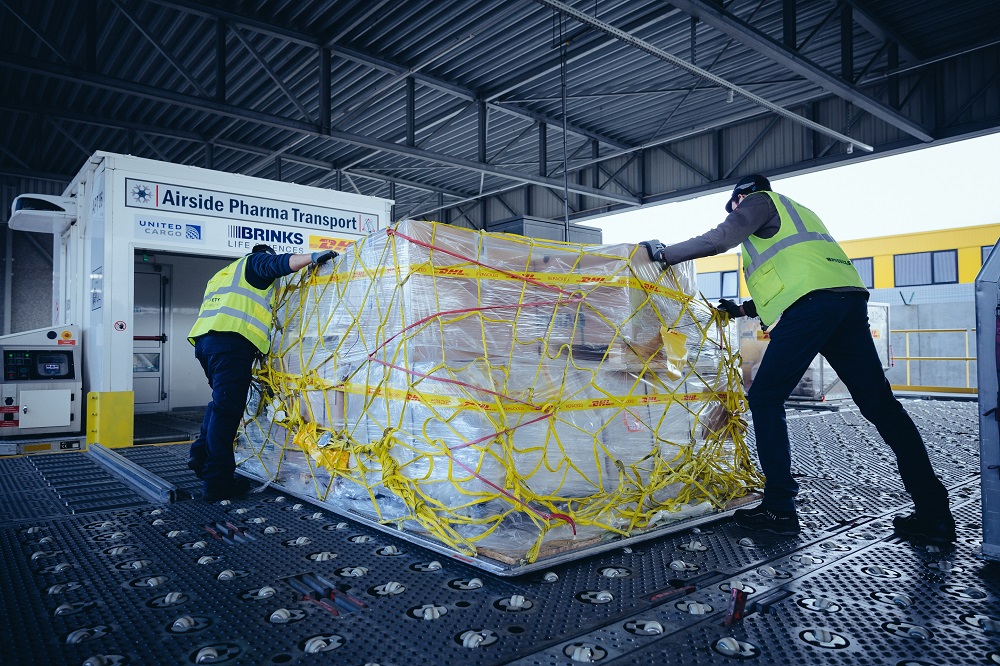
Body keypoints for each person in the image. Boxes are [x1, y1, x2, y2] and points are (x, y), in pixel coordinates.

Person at [642, 175, 955, 544]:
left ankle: (779, 508)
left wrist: (663, 254)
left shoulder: (759, 202)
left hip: (811, 308)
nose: (736, 212)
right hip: (846, 303)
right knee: (881, 406)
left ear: (741, 197)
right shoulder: (802, 215)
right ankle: (934, 511)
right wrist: (742, 309)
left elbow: (718, 240)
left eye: (734, 206)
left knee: (765, 398)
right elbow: (796, 275)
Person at [187, 244, 338, 501]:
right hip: (230, 345)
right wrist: (312, 257)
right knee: (227, 412)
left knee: (220, 404)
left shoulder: (222, 274)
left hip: (206, 344)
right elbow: (277, 264)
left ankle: (199, 455)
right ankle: (217, 483)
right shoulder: (254, 263)